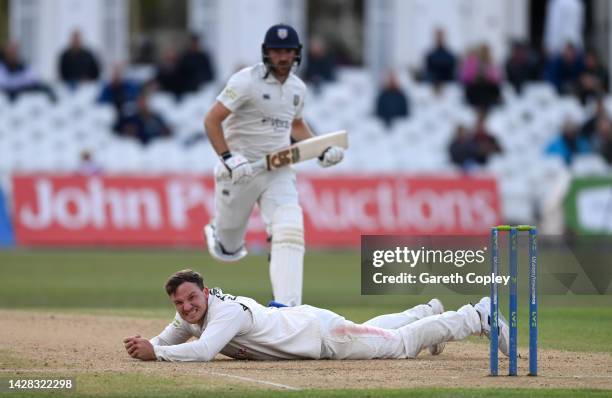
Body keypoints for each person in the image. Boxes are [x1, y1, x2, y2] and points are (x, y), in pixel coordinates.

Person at [202, 24, 344, 307]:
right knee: (228, 250)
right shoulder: (245, 81)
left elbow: (297, 125)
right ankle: (219, 233)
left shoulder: (297, 88)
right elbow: (212, 120)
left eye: (288, 51)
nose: (283, 57)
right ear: (267, 53)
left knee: (290, 227)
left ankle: (287, 308)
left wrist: (321, 149)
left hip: (278, 169)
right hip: (240, 170)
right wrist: (229, 158)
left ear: (297, 54)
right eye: (277, 51)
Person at [123, 269, 509, 362]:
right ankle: (427, 312)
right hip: (310, 323)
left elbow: (205, 351)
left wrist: (155, 354)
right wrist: (149, 345)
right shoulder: (191, 315)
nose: (187, 308)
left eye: (191, 299)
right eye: (180, 304)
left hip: (324, 337)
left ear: (205, 292)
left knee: (401, 347)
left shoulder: (225, 313)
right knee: (376, 331)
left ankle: (476, 316)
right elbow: (169, 338)